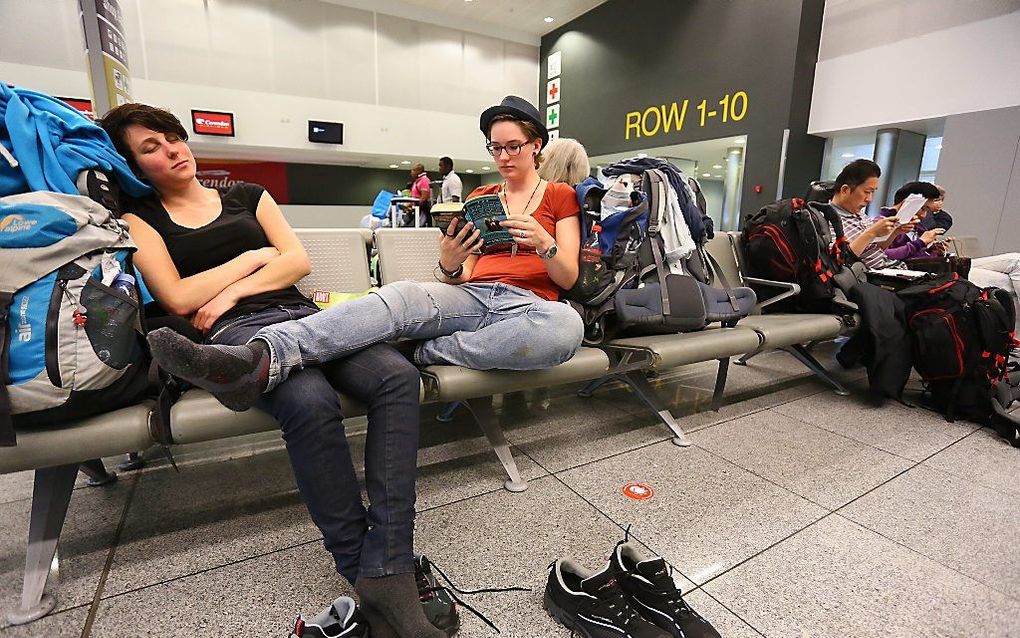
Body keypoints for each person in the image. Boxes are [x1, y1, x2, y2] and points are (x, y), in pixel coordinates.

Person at [99, 104, 447, 638]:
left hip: (305, 318)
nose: (172, 150)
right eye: (151, 148)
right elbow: (177, 295)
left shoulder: (246, 195)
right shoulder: (141, 218)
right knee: (309, 402)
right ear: (133, 164)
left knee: (397, 376)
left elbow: (297, 262)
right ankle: (370, 570)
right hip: (231, 338)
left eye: (172, 137)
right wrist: (251, 258)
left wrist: (234, 284)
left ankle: (389, 558)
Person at [143, 93, 584, 411]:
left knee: (566, 327)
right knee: (401, 294)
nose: (503, 155)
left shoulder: (561, 195)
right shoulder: (481, 195)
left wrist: (544, 244)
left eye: (513, 146)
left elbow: (566, 278)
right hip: (474, 296)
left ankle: (424, 352)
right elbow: (459, 274)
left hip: (533, 306)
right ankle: (262, 359)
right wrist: (450, 259)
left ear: (536, 145)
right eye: (495, 147)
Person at [831, 160, 1020, 307]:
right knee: (998, 283)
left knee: (1012, 266)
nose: (869, 198)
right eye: (867, 192)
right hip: (880, 276)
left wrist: (894, 234)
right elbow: (844, 258)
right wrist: (915, 242)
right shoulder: (830, 218)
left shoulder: (861, 217)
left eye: (873, 192)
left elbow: (878, 249)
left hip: (894, 270)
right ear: (846, 190)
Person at [878, 181, 946, 263]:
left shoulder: (918, 227)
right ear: (908, 202)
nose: (923, 215)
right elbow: (880, 255)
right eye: (923, 208)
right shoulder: (881, 224)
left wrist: (933, 250)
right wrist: (920, 242)